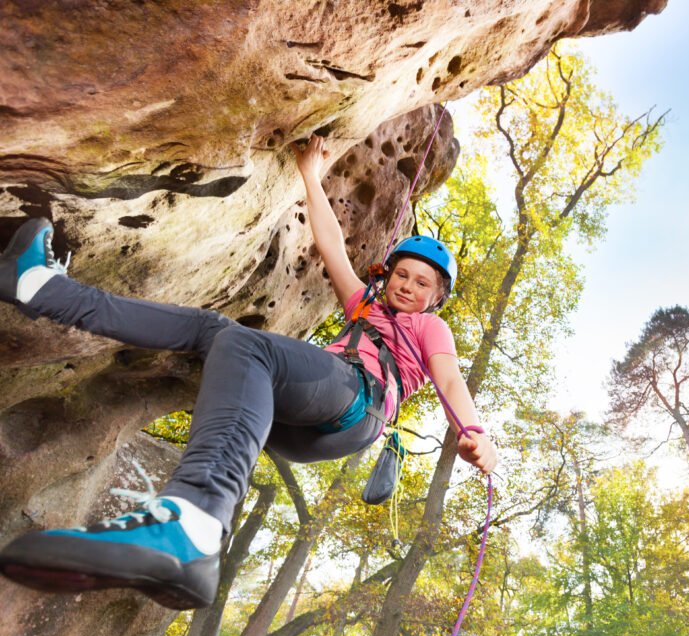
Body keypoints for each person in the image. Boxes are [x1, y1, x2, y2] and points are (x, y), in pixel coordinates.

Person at [0, 134, 497, 609]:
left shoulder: (431, 328)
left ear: (436, 296)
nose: (408, 285)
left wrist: (472, 431)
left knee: (244, 345)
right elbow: (332, 246)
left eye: (422, 282)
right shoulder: (363, 308)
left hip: (357, 401)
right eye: (401, 274)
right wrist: (311, 175)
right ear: (388, 276)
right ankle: (41, 288)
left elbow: (449, 380)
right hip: (302, 423)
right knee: (213, 332)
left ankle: (193, 521)